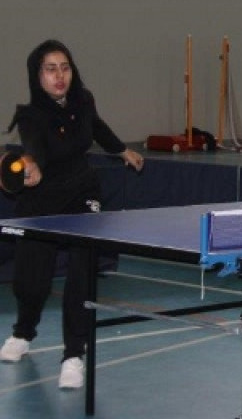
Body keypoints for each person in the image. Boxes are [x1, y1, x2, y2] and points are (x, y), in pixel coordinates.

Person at [0, 39, 145, 389]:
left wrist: (121, 149)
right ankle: (23, 332)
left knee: (82, 270)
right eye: (50, 69)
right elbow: (34, 145)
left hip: (82, 192)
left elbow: (96, 125)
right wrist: (31, 165)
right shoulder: (30, 114)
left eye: (64, 67)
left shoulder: (83, 100)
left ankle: (73, 355)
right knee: (31, 280)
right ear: (38, 76)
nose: (59, 75)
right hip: (42, 197)